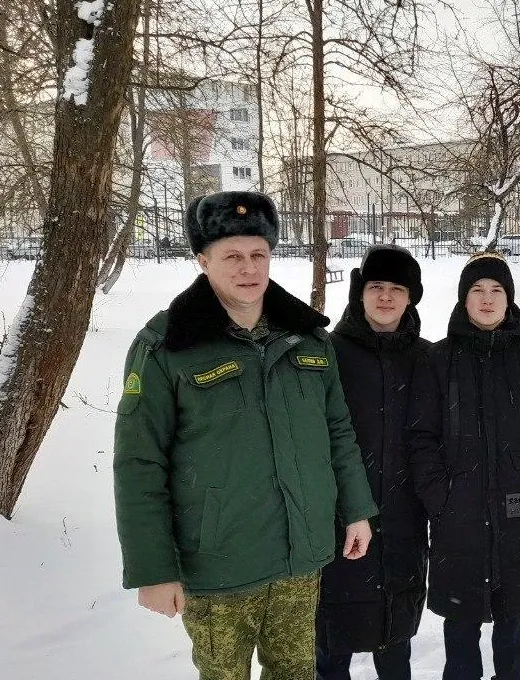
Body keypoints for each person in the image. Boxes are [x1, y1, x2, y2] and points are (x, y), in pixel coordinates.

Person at [113, 191, 378, 680]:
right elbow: (139, 462)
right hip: (218, 568)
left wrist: (356, 510)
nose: (248, 268)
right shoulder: (167, 345)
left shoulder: (308, 337)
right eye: (232, 256)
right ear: (203, 260)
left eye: (259, 254)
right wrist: (154, 570)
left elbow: (337, 431)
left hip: (300, 559)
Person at [410, 252, 520, 680]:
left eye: (496, 290)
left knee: (513, 621)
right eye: (477, 291)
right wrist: (439, 495)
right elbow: (420, 438)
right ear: (463, 300)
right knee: (460, 625)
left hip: (517, 512)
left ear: (509, 300)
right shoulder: (438, 360)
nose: (487, 299)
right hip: (456, 517)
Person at [315, 245, 431, 680]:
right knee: (330, 640)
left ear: (411, 297)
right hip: (339, 519)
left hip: (404, 517)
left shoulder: (426, 357)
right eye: (376, 286)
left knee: (395, 636)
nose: (385, 297)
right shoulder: (327, 353)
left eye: (397, 288)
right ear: (359, 292)